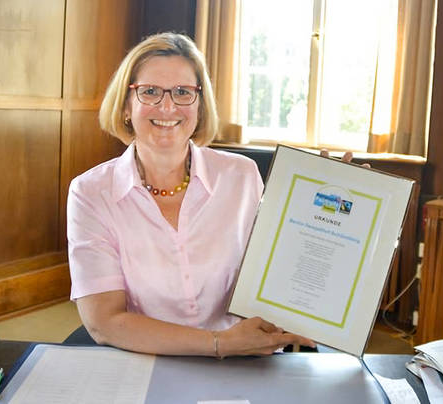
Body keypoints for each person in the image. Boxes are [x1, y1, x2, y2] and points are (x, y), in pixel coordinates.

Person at [66, 32, 315, 359]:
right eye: (150, 91)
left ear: (199, 105)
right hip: (146, 359)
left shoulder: (241, 176)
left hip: (244, 359)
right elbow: (104, 322)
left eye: (183, 92)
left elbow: (281, 272)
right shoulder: (91, 192)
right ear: (127, 106)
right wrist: (219, 343)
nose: (167, 106)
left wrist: (340, 214)